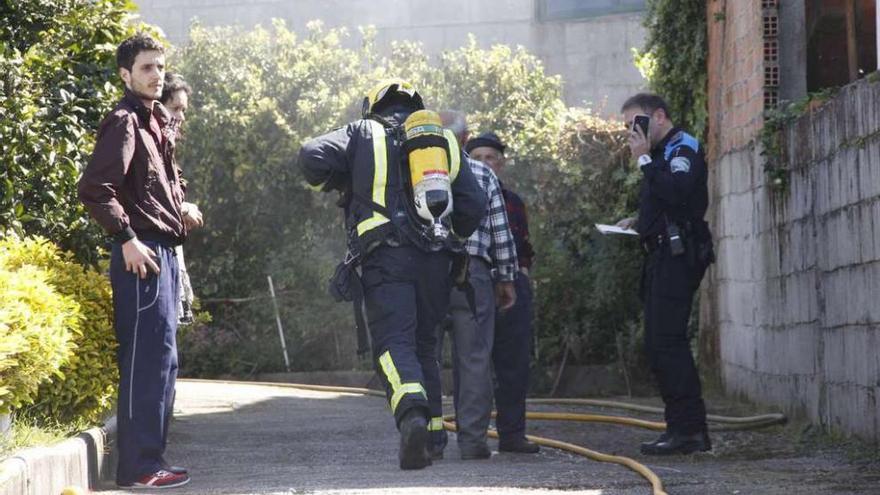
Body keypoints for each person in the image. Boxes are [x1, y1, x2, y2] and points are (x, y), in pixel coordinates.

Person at [298, 79, 486, 470]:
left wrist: (345, 177)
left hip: (386, 258)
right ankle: (434, 435)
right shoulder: (443, 141)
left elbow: (310, 155)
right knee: (424, 346)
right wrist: (454, 234)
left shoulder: (361, 132)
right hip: (437, 261)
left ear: (373, 107)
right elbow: (473, 204)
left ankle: (412, 417)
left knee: (392, 343)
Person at [78, 34, 203, 488]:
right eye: (147, 67)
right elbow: (95, 189)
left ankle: (153, 460)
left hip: (165, 252)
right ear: (126, 74)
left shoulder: (155, 122)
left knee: (165, 360)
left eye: (160, 67)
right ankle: (139, 467)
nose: (157, 75)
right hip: (141, 253)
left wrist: (182, 205)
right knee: (147, 361)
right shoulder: (124, 121)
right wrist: (126, 237)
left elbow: (166, 181)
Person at [617, 92, 714, 455]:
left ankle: (689, 431)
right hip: (661, 253)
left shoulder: (681, 146)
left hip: (678, 255)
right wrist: (639, 222)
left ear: (658, 116)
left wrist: (643, 158)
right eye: (627, 127)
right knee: (659, 343)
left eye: (636, 124)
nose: (631, 132)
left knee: (667, 343)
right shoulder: (659, 154)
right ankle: (682, 428)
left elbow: (678, 192)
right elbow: (663, 202)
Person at [436, 111, 518, 460]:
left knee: (426, 355)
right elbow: (501, 231)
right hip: (474, 275)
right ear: (466, 140)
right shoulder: (483, 173)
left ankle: (429, 439)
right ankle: (472, 442)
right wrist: (507, 277)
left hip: (430, 275)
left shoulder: (416, 174)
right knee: (474, 360)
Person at [465, 132, 539, 454]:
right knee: (475, 362)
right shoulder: (462, 197)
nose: (484, 163)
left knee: (514, 364)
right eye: (477, 158)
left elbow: (522, 245)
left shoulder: (513, 202)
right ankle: (474, 437)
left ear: (501, 163)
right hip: (475, 283)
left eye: (490, 158)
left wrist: (521, 277)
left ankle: (512, 434)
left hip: (512, 284)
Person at [159, 72, 201, 325]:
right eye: (175, 108)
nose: (181, 117)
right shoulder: (144, 143)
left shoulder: (167, 148)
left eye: (183, 110)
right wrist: (181, 209)